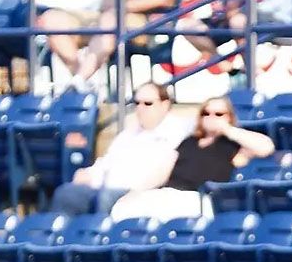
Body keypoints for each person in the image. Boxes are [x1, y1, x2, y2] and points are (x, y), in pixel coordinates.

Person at [109, 94, 275, 222]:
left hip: (197, 198)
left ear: (229, 117)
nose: (211, 117)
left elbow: (266, 147)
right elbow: (162, 172)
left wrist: (227, 129)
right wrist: (135, 192)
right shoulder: (188, 142)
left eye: (218, 114)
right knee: (122, 209)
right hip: (168, 194)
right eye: (206, 113)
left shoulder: (231, 145)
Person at [50, 82, 187, 216]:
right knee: (66, 194)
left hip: (139, 193)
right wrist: (88, 174)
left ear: (165, 105)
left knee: (106, 198)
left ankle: (99, 235)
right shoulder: (129, 133)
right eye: (137, 103)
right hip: (105, 188)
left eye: (148, 103)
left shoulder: (176, 133)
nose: (140, 108)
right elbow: (107, 162)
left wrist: (136, 191)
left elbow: (163, 172)